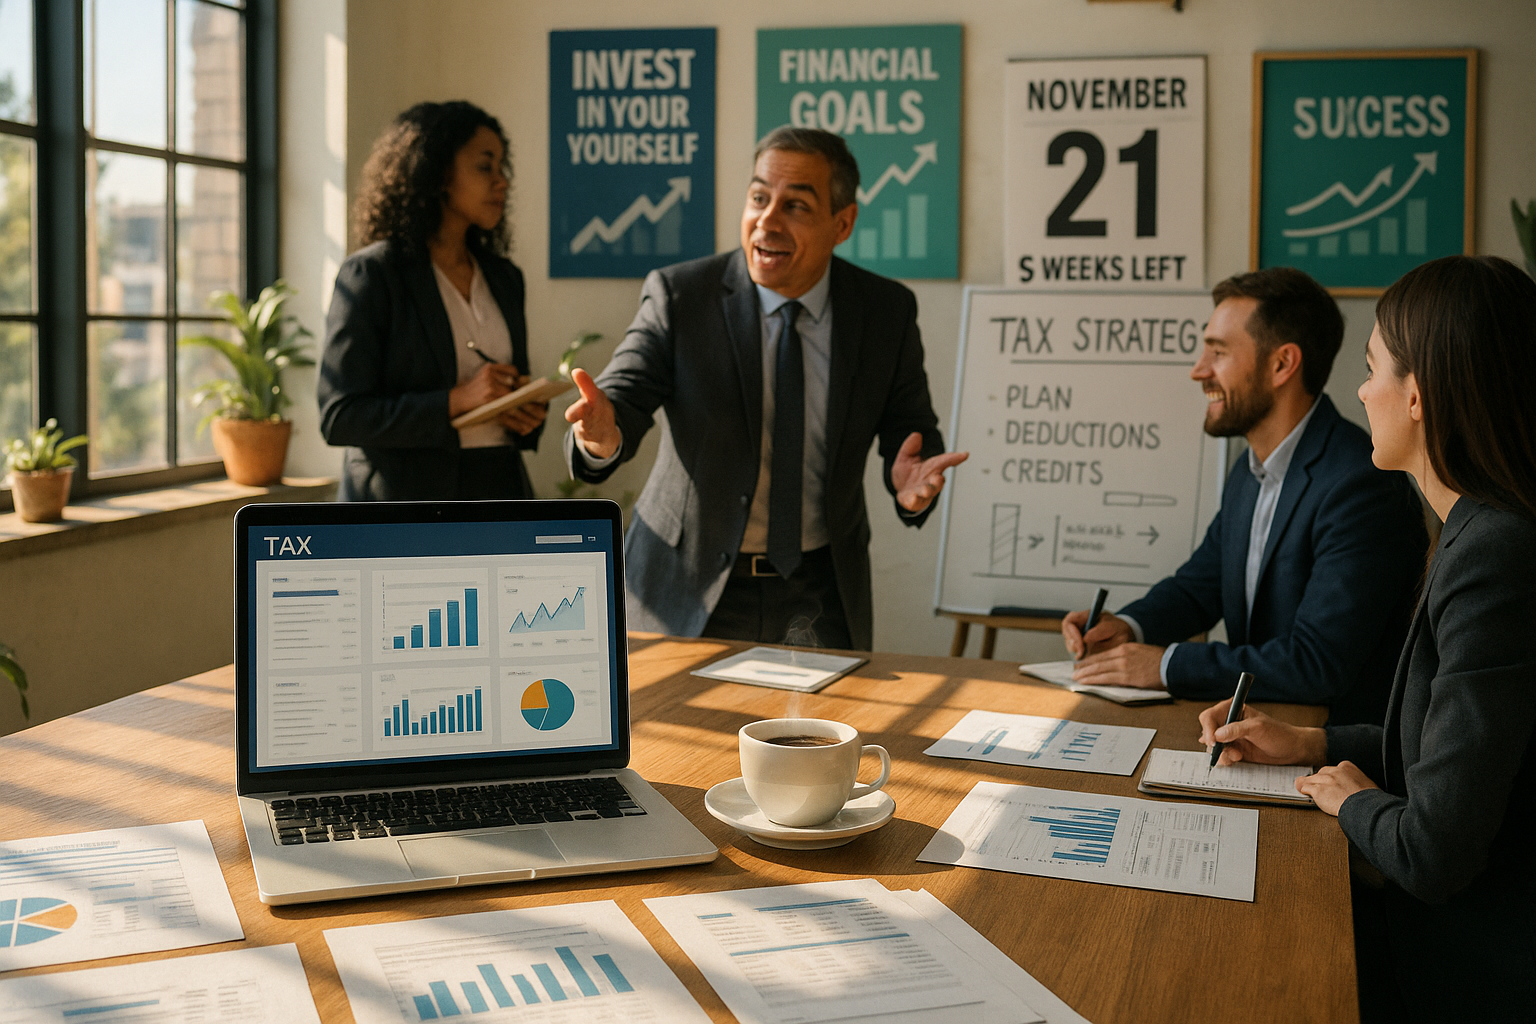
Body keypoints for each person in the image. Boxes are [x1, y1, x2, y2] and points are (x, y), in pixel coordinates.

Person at [1196, 255, 1536, 1021]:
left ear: (1419, 395)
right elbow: (1445, 749)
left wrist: (1350, 799)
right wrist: (1309, 744)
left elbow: (1432, 849)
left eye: (1373, 367)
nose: (1359, 390)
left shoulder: (1493, 556)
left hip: (1464, 973)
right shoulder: (1473, 531)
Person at [562, 126, 967, 650]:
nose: (767, 221)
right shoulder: (681, 296)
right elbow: (623, 394)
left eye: (795, 206)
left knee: (834, 709)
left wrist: (912, 482)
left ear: (842, 223)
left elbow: (912, 433)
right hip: (687, 588)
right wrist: (600, 435)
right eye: (758, 198)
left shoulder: (885, 311)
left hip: (820, 590)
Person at [1061, 267, 1426, 724]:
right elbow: (1201, 585)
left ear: (1282, 364)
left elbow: (1317, 663)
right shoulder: (1250, 467)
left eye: (1218, 352)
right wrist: (1128, 627)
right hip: (1253, 732)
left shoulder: (1360, 483)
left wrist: (1165, 665)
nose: (1198, 370)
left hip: (1332, 749)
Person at [318, 101, 545, 500]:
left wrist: (524, 412)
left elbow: (511, 395)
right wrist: (455, 401)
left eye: (502, 167)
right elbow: (341, 416)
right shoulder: (373, 274)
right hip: (405, 507)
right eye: (485, 166)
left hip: (500, 493)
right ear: (438, 173)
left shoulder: (505, 278)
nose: (502, 182)